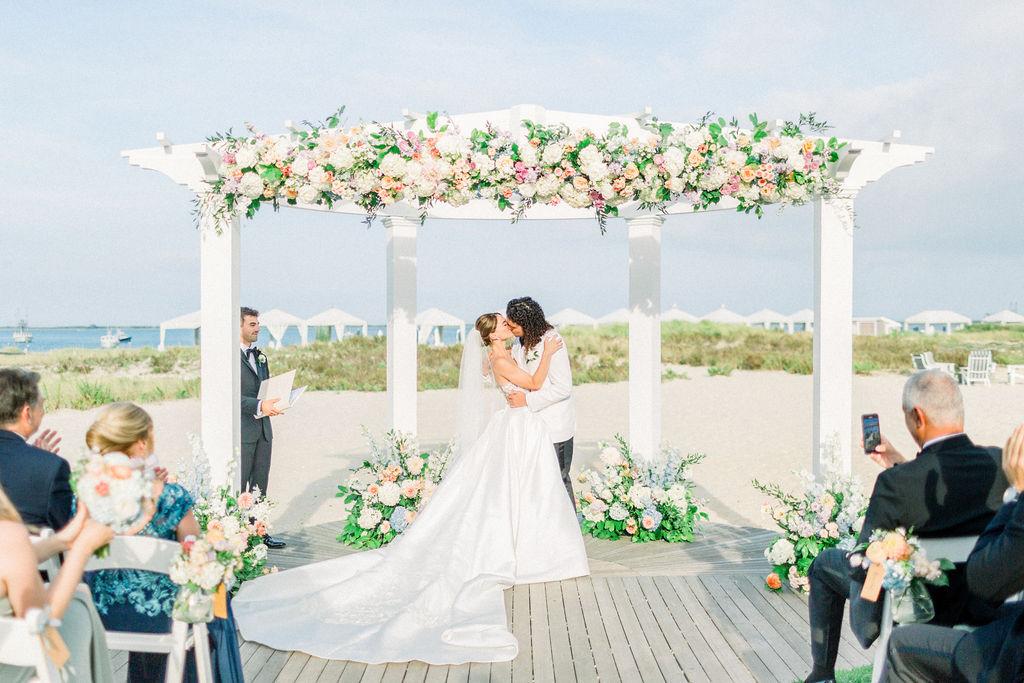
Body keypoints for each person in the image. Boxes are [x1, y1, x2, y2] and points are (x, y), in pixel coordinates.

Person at [231, 313, 589, 664]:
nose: (509, 325)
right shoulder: (500, 355)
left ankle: (525, 542)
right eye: (503, 323)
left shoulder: (500, 354)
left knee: (517, 490)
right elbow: (535, 384)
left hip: (518, 426)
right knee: (502, 491)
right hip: (515, 423)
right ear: (493, 334)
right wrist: (551, 354)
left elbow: (499, 375)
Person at [803, 369, 1007, 683]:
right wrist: (900, 462)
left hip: (916, 614)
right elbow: (947, 491)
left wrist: (898, 474)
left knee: (825, 564)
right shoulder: (1001, 464)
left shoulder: (895, 485)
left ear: (917, 417)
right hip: (985, 612)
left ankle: (821, 676)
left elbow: (863, 562)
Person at [82, 402, 244, 682]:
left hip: (100, 613)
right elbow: (197, 553)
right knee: (217, 599)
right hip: (161, 616)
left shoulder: (84, 496)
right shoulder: (172, 497)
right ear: (142, 443)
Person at [884, 423, 1024, 682]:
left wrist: (1016, 493)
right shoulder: (992, 459)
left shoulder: (892, 483)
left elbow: (985, 582)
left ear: (918, 418)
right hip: (997, 610)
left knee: (901, 645)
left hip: (1012, 656)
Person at [0, 484, 115, 682]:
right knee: (76, 610)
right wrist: (82, 549)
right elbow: (42, 623)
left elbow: (9, 564)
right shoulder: (8, 535)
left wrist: (63, 540)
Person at [504, 297, 577, 508]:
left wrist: (527, 400)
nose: (510, 328)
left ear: (526, 322)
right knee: (537, 481)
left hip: (555, 424)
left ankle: (569, 531)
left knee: (559, 477)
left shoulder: (552, 341)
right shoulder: (519, 344)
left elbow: (563, 388)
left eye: (513, 325)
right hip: (531, 425)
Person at [0, 368, 72, 530]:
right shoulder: (51, 467)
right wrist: (41, 461)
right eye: (41, 405)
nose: (43, 412)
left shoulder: (45, 464)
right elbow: (64, 529)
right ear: (27, 413)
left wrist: (34, 455)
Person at [239, 306, 286, 549]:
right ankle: (239, 536)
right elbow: (231, 398)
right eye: (252, 324)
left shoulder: (261, 356)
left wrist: (276, 402)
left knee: (260, 485)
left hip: (264, 430)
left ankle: (260, 533)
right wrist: (260, 405)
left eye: (258, 324)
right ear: (239, 326)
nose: (258, 328)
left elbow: (264, 390)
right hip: (243, 431)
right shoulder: (229, 359)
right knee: (240, 487)